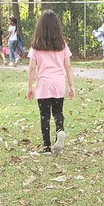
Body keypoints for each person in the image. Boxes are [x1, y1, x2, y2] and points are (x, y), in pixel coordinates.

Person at [27, 9, 76, 156]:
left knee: (44, 116)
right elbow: (68, 65)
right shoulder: (62, 45)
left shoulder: (36, 46)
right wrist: (72, 86)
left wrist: (30, 87)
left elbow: (31, 68)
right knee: (58, 112)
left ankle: (47, 147)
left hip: (44, 84)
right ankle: (60, 131)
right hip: (59, 82)